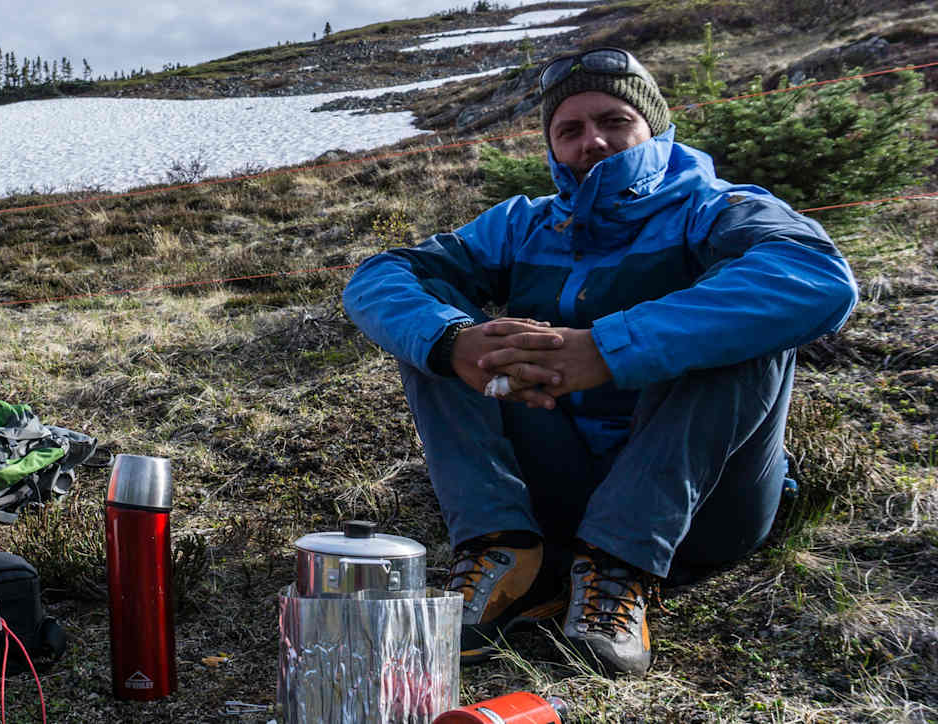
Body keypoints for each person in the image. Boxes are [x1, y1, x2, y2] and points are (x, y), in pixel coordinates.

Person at [341, 47, 857, 675]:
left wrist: (608, 351)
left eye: (615, 121)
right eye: (571, 129)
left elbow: (816, 278)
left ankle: (620, 569)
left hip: (705, 504)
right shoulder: (522, 224)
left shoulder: (716, 208)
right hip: (559, 489)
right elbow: (379, 277)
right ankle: (505, 553)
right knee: (435, 335)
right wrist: (456, 344)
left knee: (750, 331)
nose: (594, 142)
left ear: (653, 128)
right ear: (553, 147)